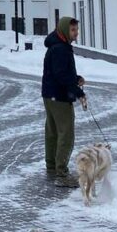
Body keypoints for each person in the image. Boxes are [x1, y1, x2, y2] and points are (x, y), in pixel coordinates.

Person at [41, 16, 86, 187]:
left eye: (76, 29)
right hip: (59, 96)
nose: (76, 33)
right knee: (66, 134)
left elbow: (61, 73)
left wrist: (76, 79)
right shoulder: (61, 48)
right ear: (65, 30)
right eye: (73, 30)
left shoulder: (57, 46)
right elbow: (61, 76)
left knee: (52, 132)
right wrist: (78, 92)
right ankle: (62, 174)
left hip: (50, 94)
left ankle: (52, 166)